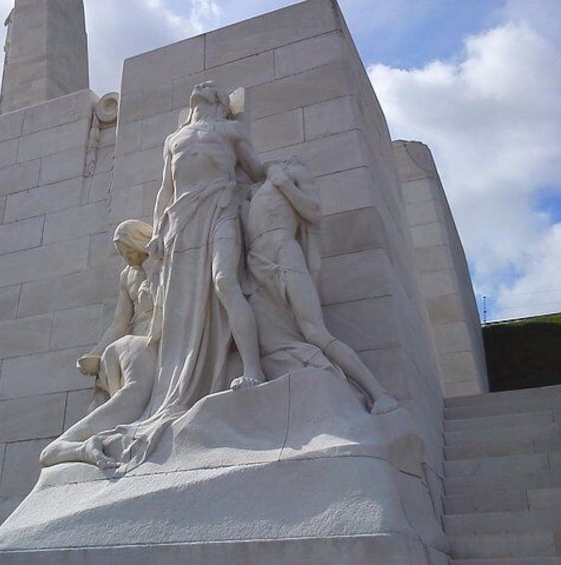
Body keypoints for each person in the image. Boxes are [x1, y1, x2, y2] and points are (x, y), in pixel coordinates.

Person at [147, 81, 268, 403]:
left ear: (220, 101)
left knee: (225, 280)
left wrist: (288, 173)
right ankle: (181, 381)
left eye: (210, 87)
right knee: (179, 301)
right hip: (181, 220)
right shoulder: (173, 139)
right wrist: (157, 231)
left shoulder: (230, 132)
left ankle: (253, 368)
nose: (202, 86)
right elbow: (165, 189)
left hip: (221, 207)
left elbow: (256, 170)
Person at [246, 159, 398, 414]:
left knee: (315, 332)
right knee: (266, 341)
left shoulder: (292, 172)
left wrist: (283, 183)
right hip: (255, 265)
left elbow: (313, 212)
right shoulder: (250, 192)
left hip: (284, 254)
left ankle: (377, 392)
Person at [40, 220, 158, 469]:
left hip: (152, 340)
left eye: (130, 251)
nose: (128, 258)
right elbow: (119, 322)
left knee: (132, 397)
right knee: (125, 397)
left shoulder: (160, 264)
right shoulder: (127, 276)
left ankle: (80, 443)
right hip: (134, 342)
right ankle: (82, 441)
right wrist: (95, 354)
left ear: (142, 243)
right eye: (123, 254)